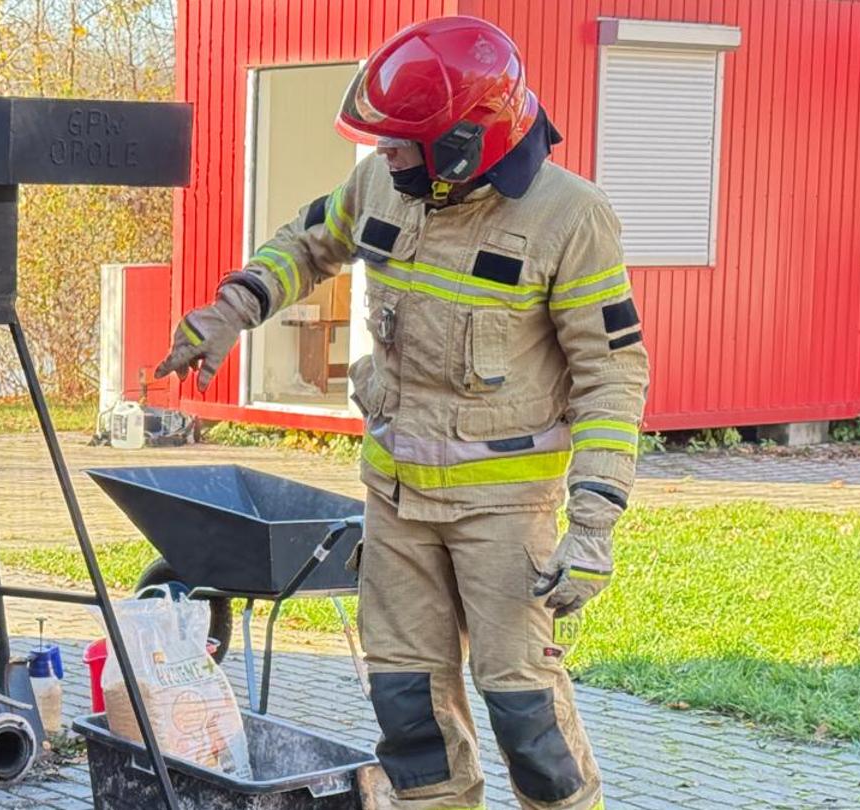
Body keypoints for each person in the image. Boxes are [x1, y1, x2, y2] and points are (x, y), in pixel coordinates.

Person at [157, 16, 647, 810]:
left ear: (464, 143)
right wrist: (231, 309)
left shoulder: (570, 218)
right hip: (395, 503)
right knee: (407, 703)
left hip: (502, 512)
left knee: (523, 709)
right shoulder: (382, 184)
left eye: (400, 144)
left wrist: (592, 525)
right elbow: (308, 243)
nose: (382, 155)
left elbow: (612, 375)